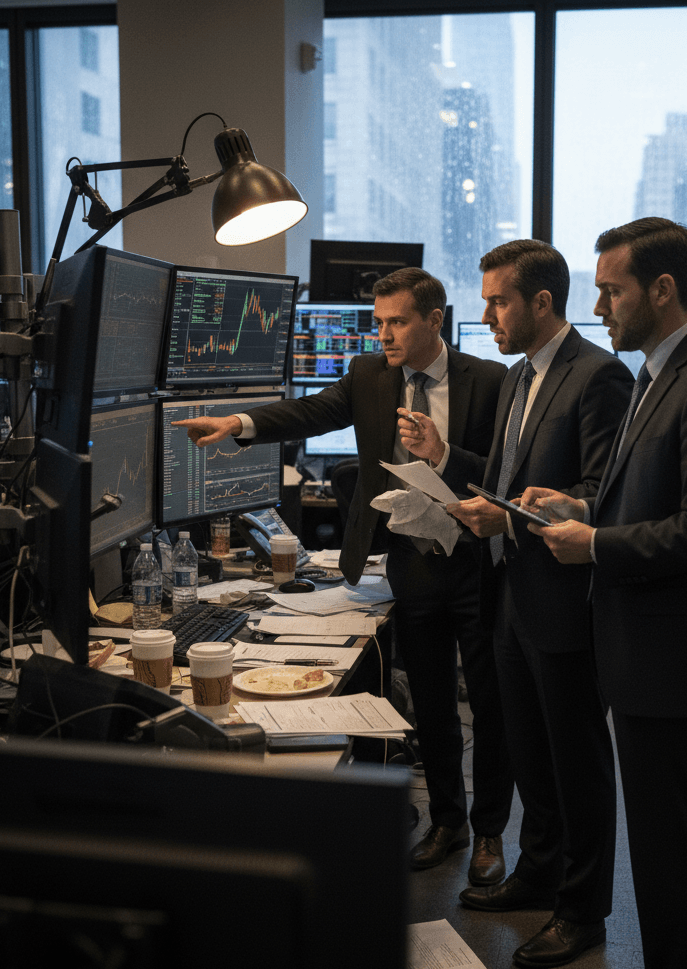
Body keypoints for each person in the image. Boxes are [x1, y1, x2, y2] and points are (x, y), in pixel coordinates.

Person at [172, 267, 515, 885]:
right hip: (410, 562)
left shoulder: (490, 381)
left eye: (397, 321)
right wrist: (240, 425)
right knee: (433, 704)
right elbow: (311, 412)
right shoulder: (367, 377)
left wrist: (443, 453)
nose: (382, 334)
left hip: (476, 561)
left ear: (435, 320)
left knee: (489, 705)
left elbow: (506, 474)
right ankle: (449, 821)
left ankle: (491, 832)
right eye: (378, 321)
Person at [522, 218, 687, 969]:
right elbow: (651, 498)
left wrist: (593, 542)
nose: (599, 306)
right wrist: (583, 505)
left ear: (662, 290)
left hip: (679, 658)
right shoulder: (658, 373)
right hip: (647, 650)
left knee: (679, 844)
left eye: (611, 289)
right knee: (661, 845)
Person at [433, 239, 633, 969]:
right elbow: (508, 475)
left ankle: (583, 911)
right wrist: (451, 468)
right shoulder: (520, 378)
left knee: (576, 759)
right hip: (511, 594)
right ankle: (538, 871)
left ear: (542, 302)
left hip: (564, 598)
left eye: (499, 301)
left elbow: (598, 492)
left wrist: (510, 518)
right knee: (528, 753)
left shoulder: (599, 376)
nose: (486, 314)